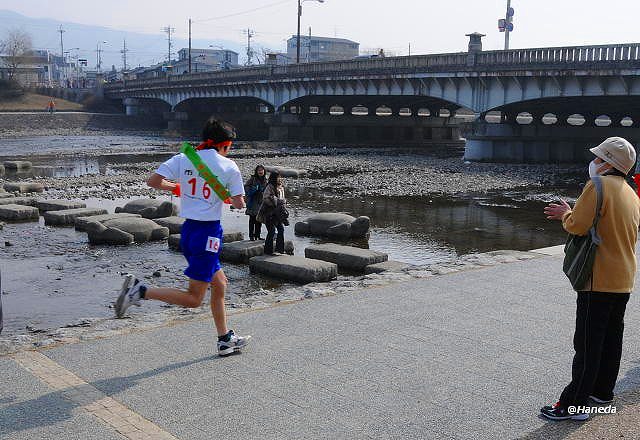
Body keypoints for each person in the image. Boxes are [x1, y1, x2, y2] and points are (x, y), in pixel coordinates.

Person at [115, 117, 250, 357]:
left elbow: (153, 182)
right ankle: (140, 291)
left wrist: (177, 188)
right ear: (226, 144)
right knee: (194, 299)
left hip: (188, 231)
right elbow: (239, 204)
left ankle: (224, 339)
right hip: (208, 235)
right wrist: (235, 199)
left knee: (220, 284)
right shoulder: (230, 166)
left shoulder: (184, 158)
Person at [541, 137, 640, 421]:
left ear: (608, 163)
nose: (594, 162)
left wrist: (565, 213)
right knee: (611, 339)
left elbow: (577, 225)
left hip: (598, 278)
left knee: (587, 343)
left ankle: (574, 405)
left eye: (598, 158)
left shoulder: (598, 185)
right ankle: (602, 393)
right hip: (624, 277)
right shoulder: (631, 193)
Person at [262, 172, 287, 255]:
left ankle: (280, 249)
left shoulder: (281, 187)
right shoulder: (269, 187)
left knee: (281, 229)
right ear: (273, 178)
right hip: (270, 212)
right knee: (271, 231)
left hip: (278, 212)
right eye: (278, 177)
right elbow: (265, 198)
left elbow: (282, 199)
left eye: (280, 177)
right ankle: (268, 251)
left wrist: (283, 204)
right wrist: (276, 202)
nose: (279, 179)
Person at [244, 165, 267, 241]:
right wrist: (253, 189)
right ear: (256, 172)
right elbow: (246, 187)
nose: (260, 171)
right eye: (259, 170)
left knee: (259, 220)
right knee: (252, 219)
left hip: (261, 202)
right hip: (253, 201)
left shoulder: (265, 180)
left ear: (264, 171)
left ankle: (257, 235)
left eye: (262, 170)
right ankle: (251, 236)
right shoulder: (253, 179)